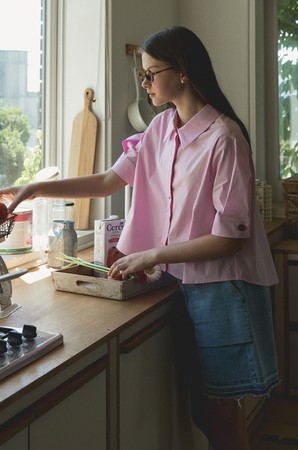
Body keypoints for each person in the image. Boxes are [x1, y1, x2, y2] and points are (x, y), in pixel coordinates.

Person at [0, 26, 279, 450]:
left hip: (222, 286)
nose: (144, 83)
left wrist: (150, 255)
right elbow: (108, 181)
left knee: (220, 409)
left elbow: (231, 238)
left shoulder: (224, 137)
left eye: (151, 74)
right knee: (205, 408)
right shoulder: (161, 128)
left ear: (182, 72)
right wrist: (34, 189)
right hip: (181, 280)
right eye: (142, 75)